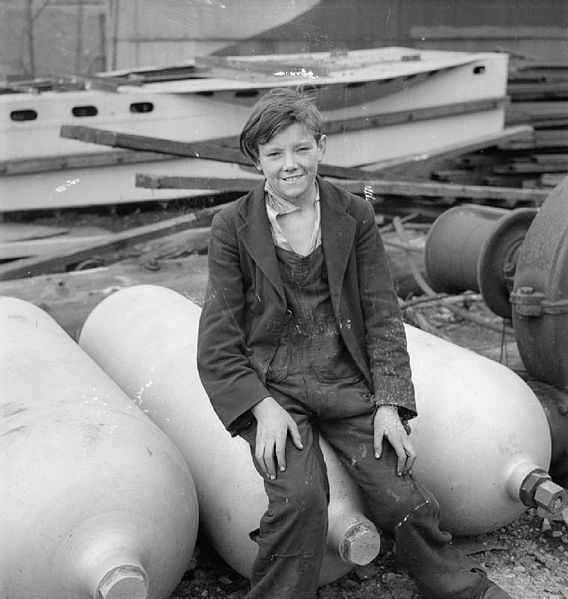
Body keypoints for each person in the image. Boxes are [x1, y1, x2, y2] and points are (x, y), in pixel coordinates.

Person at [197, 87, 513, 599]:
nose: (290, 165)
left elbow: (382, 317)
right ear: (256, 160)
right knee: (299, 501)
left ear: (320, 146)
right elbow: (216, 342)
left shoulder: (353, 216)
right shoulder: (232, 227)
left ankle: (458, 588)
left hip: (346, 383)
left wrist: (390, 404)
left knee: (401, 494)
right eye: (274, 154)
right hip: (276, 387)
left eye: (301, 149)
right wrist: (260, 408)